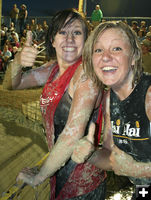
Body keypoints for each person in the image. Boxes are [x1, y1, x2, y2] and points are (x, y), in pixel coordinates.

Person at [3, 8, 106, 199]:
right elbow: (11, 84)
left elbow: (72, 134)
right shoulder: (52, 69)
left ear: (86, 40)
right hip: (57, 171)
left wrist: (39, 176)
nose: (69, 39)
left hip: (83, 187)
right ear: (52, 39)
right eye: (62, 32)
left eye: (76, 32)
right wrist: (17, 61)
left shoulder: (87, 76)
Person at [71, 20, 151, 198]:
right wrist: (90, 154)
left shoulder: (148, 95)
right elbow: (110, 155)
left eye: (116, 49)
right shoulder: (110, 99)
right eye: (98, 50)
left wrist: (138, 169)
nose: (105, 57)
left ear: (135, 56)